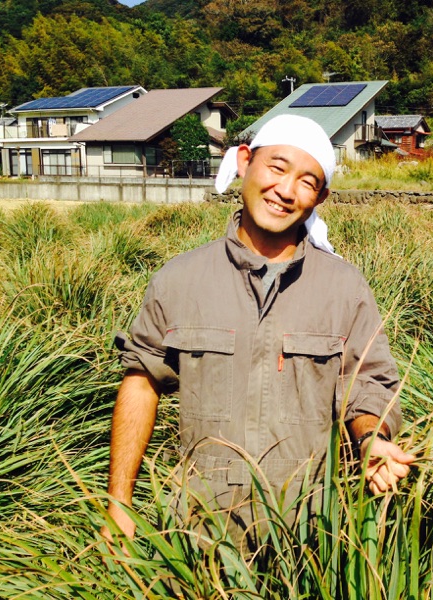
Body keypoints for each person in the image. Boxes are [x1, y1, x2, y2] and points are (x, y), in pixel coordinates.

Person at [102, 114, 414, 551]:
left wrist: (370, 439)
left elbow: (367, 383)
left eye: (307, 181)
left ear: (320, 196)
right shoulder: (179, 280)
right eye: (277, 167)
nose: (286, 191)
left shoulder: (344, 287)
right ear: (245, 161)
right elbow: (141, 382)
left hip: (312, 533)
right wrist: (120, 503)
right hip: (198, 529)